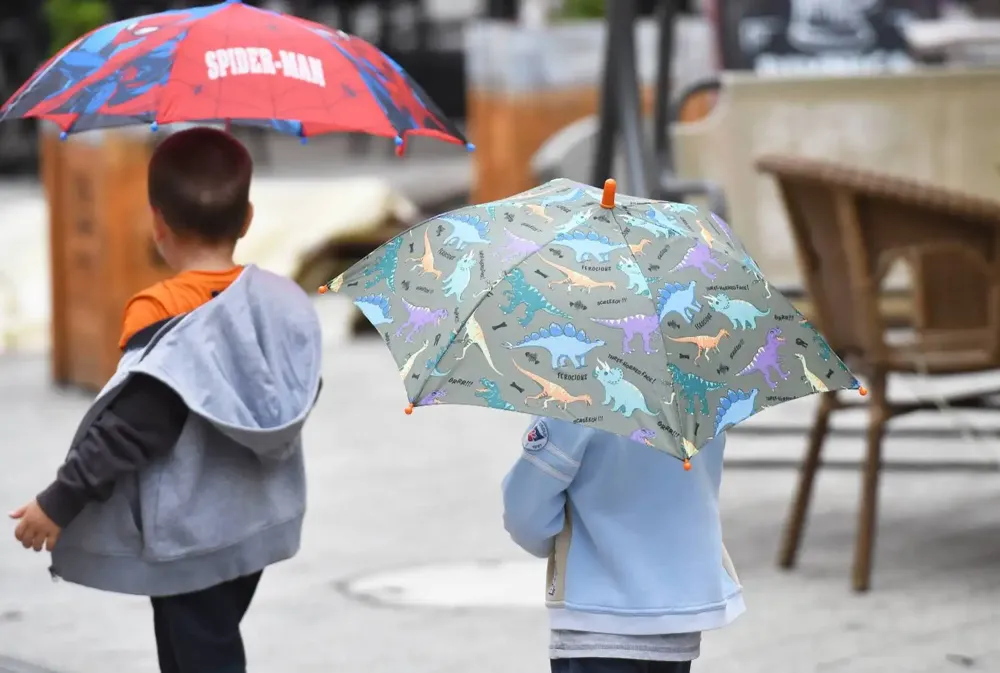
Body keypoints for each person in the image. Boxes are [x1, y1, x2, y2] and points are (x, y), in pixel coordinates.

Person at [9, 127, 323, 673]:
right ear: (247, 218)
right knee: (200, 646)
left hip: (189, 531)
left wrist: (59, 500)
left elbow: (135, 424)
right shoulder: (280, 301)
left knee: (200, 655)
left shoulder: (157, 312)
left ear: (157, 222)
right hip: (256, 519)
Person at [501, 417, 744, 673]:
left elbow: (525, 512)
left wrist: (553, 542)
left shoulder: (579, 389)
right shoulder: (697, 393)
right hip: (680, 615)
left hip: (597, 618)